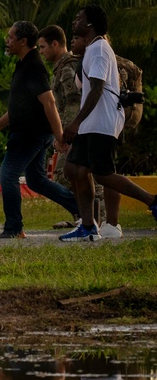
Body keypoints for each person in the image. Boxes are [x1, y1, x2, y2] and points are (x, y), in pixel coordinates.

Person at [60, 4, 157, 242]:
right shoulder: (92, 49)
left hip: (101, 122)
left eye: (79, 18)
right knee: (73, 169)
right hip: (91, 123)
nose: (74, 22)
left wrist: (75, 123)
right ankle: (88, 226)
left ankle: (153, 202)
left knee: (103, 174)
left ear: (90, 24)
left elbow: (97, 89)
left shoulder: (100, 48)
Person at [0, 20, 78, 239]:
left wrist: (60, 135)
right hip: (32, 132)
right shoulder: (25, 63)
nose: (7, 41)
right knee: (36, 180)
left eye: (10, 37)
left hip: (30, 134)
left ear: (23, 41)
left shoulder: (34, 66)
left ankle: (14, 228)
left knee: (7, 176)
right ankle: (82, 208)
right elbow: (20, 107)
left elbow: (49, 102)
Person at [38, 24, 109, 231]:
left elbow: (73, 102)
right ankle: (83, 217)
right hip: (70, 128)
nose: (41, 52)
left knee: (70, 173)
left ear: (55, 44)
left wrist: (65, 134)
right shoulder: (61, 66)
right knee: (69, 174)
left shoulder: (68, 66)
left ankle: (95, 219)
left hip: (75, 129)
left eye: (43, 47)